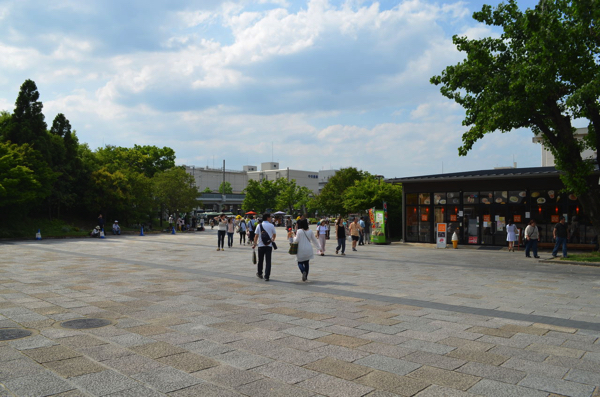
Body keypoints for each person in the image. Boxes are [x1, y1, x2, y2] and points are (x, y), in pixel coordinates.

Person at [253, 213, 276, 281]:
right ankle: (267, 276)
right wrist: (271, 240)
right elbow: (274, 235)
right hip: (268, 245)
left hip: (261, 245)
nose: (271, 218)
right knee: (268, 261)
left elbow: (256, 236)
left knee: (260, 260)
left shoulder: (259, 225)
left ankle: (260, 273)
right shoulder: (271, 225)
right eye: (270, 217)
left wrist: (254, 244)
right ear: (267, 218)